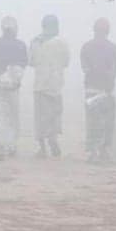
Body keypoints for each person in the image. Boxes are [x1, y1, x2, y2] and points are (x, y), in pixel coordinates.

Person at [0, 16, 28, 160]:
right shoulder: (21, 45)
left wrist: (0, 73)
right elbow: (24, 64)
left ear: (3, 29)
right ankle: (12, 145)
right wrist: (14, 75)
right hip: (14, 87)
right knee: (13, 116)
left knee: (0, 116)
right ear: (15, 29)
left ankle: (0, 146)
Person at [28, 14, 70, 158]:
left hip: (40, 85)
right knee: (54, 115)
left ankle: (42, 148)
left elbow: (31, 62)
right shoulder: (62, 43)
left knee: (40, 118)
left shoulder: (35, 42)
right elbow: (66, 62)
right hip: (56, 85)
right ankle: (53, 138)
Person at [80, 17, 116, 162]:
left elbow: (85, 68)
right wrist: (109, 83)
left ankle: (93, 151)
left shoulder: (86, 47)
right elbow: (114, 70)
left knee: (92, 121)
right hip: (105, 89)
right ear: (107, 31)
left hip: (92, 89)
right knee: (107, 121)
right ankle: (103, 150)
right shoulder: (113, 48)